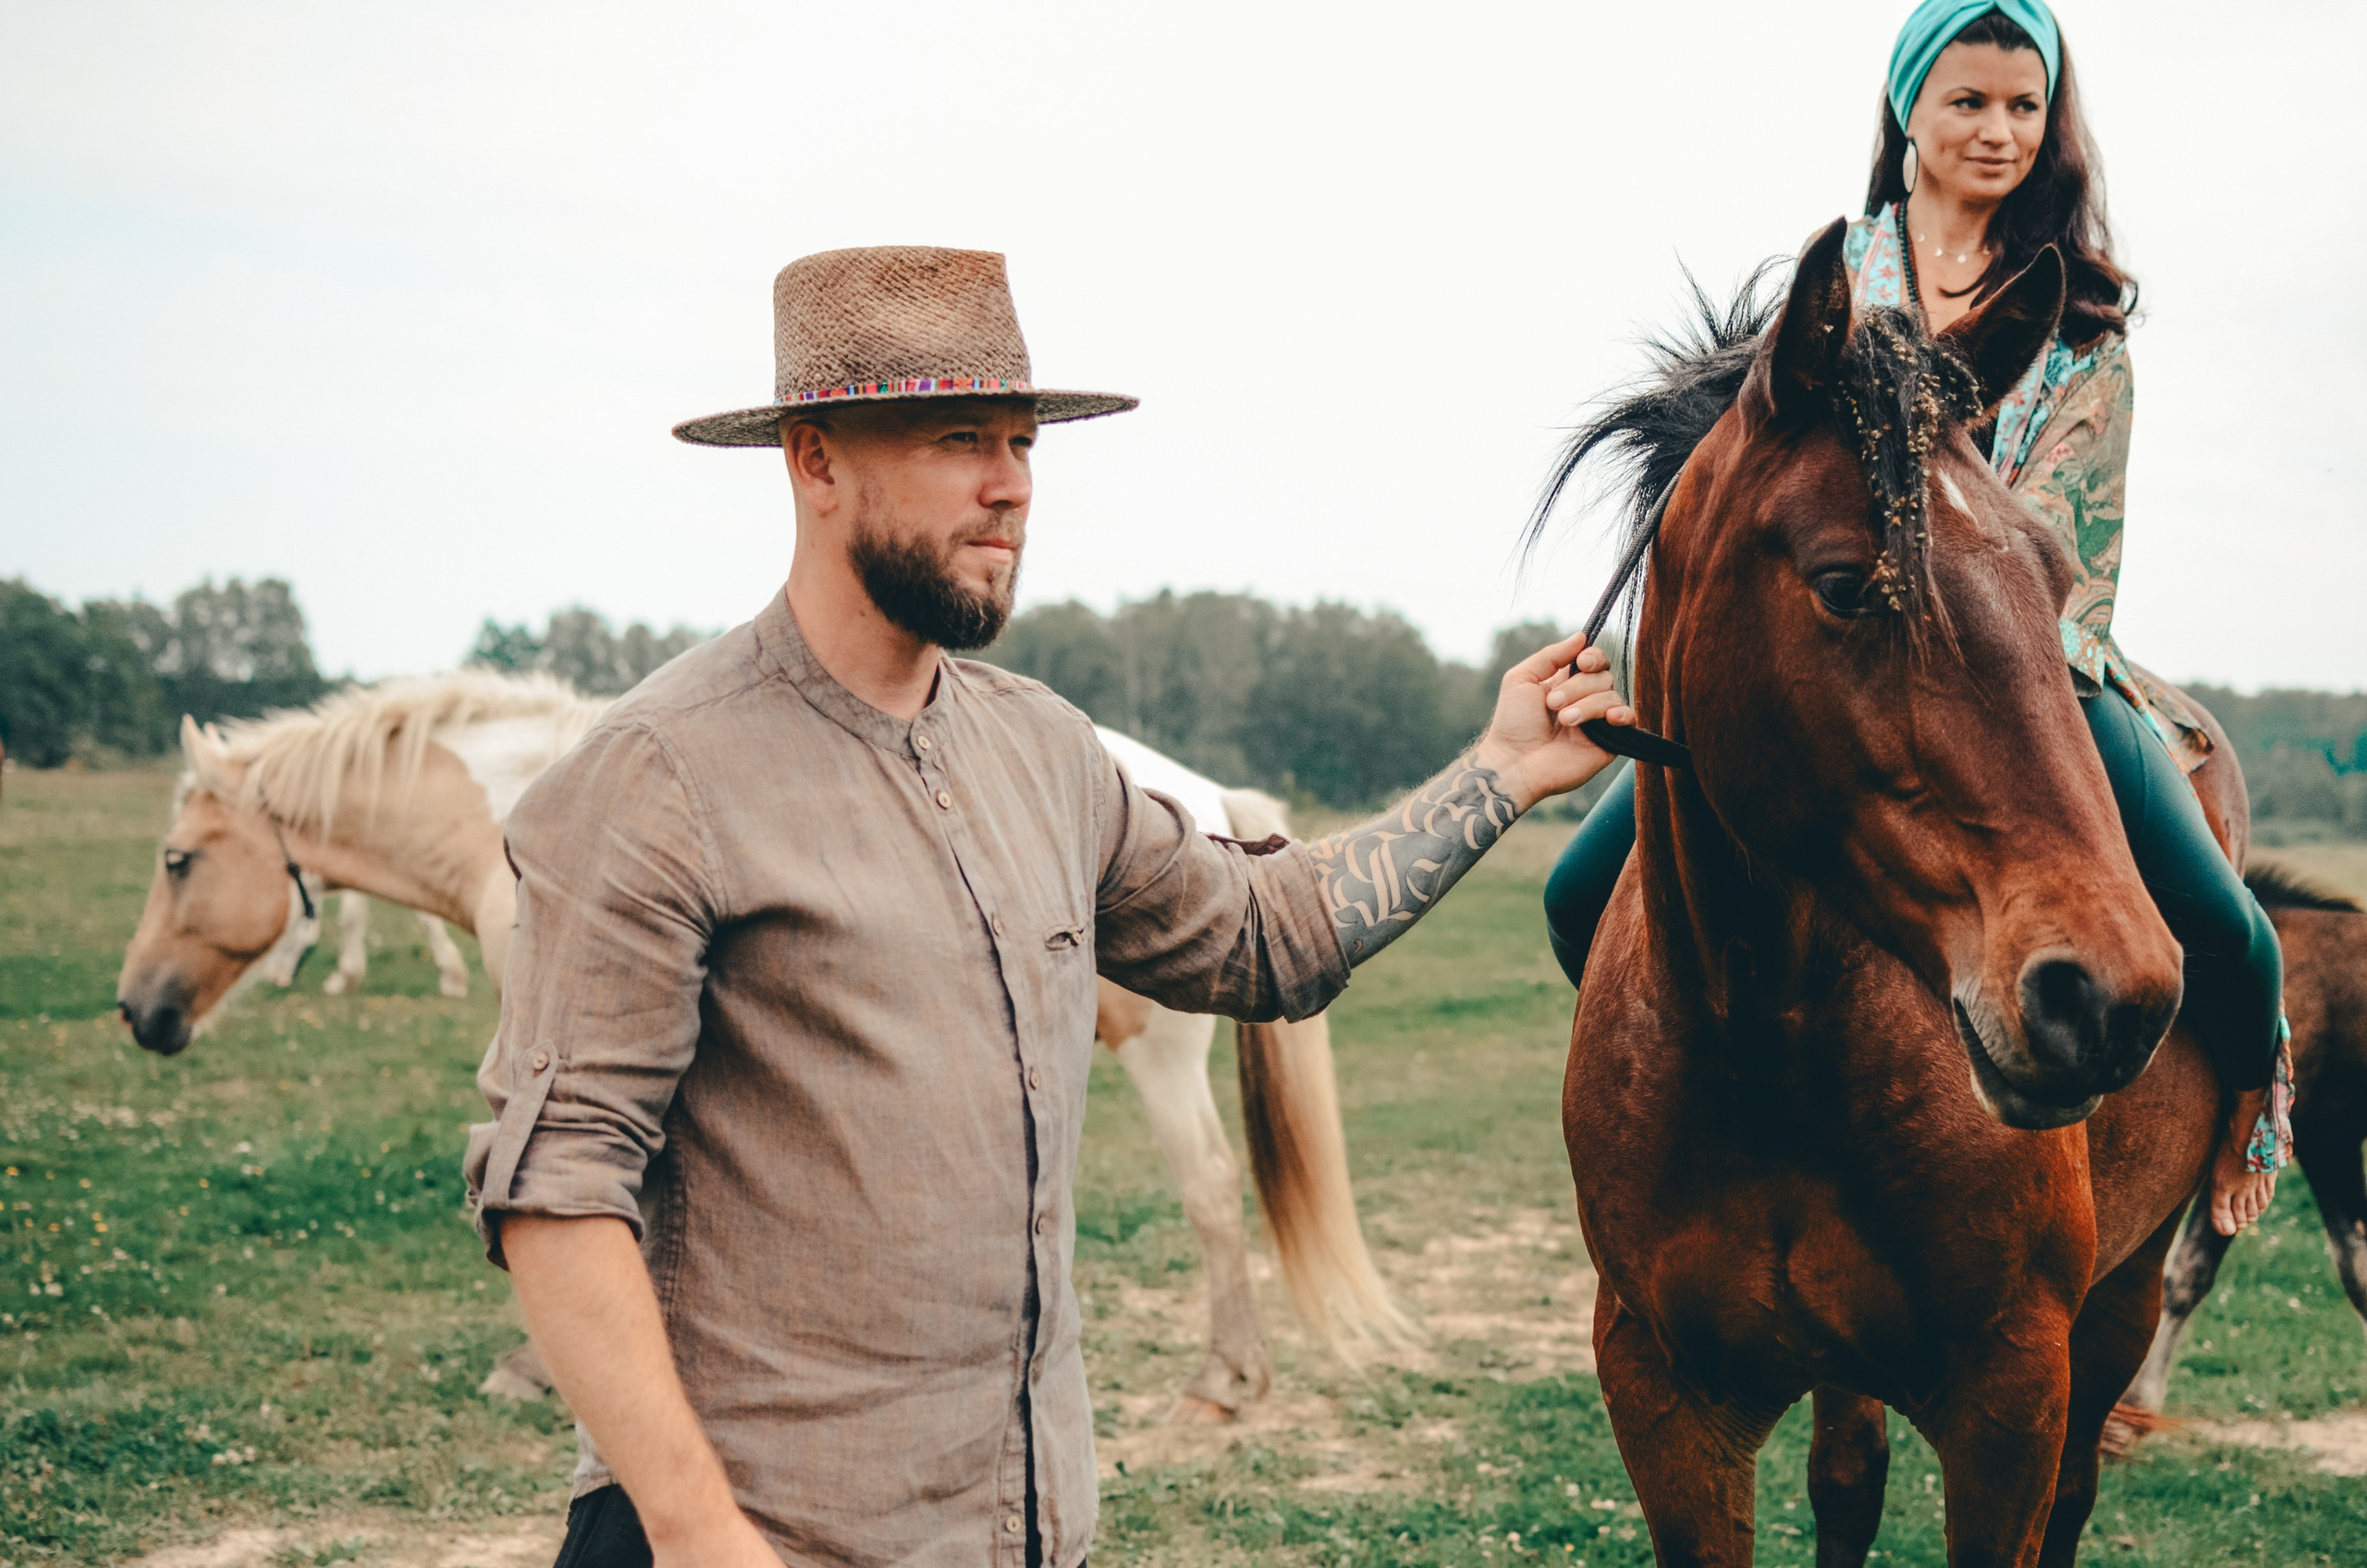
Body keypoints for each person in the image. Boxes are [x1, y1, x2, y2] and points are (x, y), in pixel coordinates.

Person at [463, 246, 1635, 1568]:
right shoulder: (659, 777)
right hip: (758, 1540)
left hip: (1015, 1532)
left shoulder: (1044, 755)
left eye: (1022, 441)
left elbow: (1271, 935)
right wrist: (697, 1531)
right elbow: (556, 1190)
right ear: (817, 460)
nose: (1012, 484)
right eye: (961, 437)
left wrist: (1503, 772)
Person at [1541, 0, 2291, 1239]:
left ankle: (2253, 1094)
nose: (1998, 131)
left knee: (2226, 927)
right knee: (1579, 893)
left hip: (2023, 661)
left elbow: (2064, 518)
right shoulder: (1831, 286)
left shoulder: (2084, 322)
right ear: (1909, 111)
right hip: (1829, 662)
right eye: (1968, 101)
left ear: (2053, 124)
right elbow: (1747, 475)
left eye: (2023, 106)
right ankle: (1701, 1109)